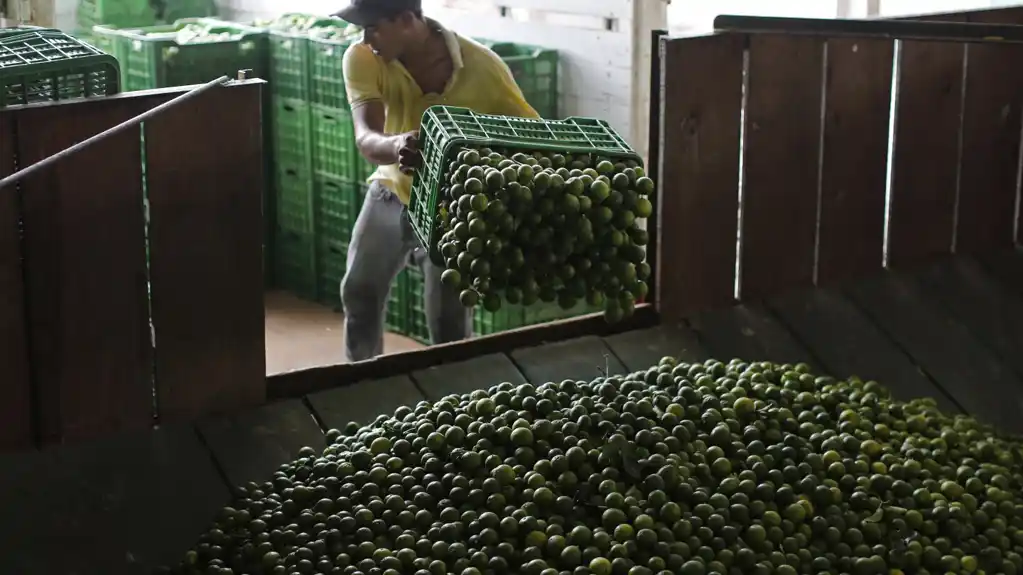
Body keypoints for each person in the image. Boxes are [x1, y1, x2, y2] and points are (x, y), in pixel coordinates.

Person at [334, 0, 539, 362]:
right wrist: (397, 144)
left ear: (408, 20)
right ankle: (359, 378)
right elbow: (366, 136)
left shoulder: (483, 68)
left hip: (452, 209)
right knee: (359, 292)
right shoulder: (363, 56)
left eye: (375, 26)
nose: (366, 36)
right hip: (391, 193)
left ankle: (453, 400)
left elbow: (527, 138)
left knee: (449, 322)